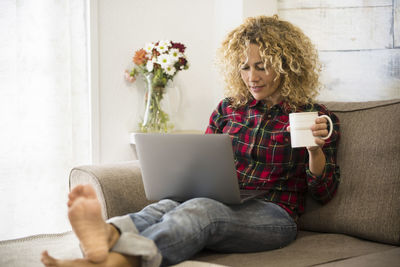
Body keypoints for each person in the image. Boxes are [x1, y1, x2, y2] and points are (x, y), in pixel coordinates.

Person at [41, 15, 340, 267]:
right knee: (164, 207)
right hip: (221, 198)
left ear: (286, 65)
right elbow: (205, 163)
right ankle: (106, 237)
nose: (252, 77)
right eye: (245, 67)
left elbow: (323, 192)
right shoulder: (228, 108)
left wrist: (315, 150)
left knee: (201, 211)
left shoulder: (312, 116)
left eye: (262, 66)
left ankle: (122, 260)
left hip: (274, 213)